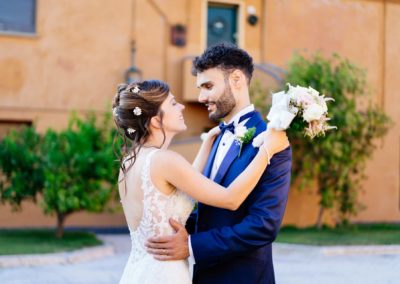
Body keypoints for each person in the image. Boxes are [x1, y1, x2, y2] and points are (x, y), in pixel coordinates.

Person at [112, 79, 289, 284]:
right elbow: (231, 199)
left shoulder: (131, 162)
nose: (182, 106)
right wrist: (267, 150)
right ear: (154, 120)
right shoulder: (165, 160)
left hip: (141, 271)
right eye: (172, 103)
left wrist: (207, 144)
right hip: (166, 273)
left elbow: (183, 185)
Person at [146, 43, 293, 284]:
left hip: (244, 277)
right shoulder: (216, 136)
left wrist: (192, 246)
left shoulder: (272, 141)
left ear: (236, 79)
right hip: (202, 275)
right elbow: (209, 209)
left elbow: (263, 225)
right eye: (200, 88)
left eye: (208, 86)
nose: (201, 97)